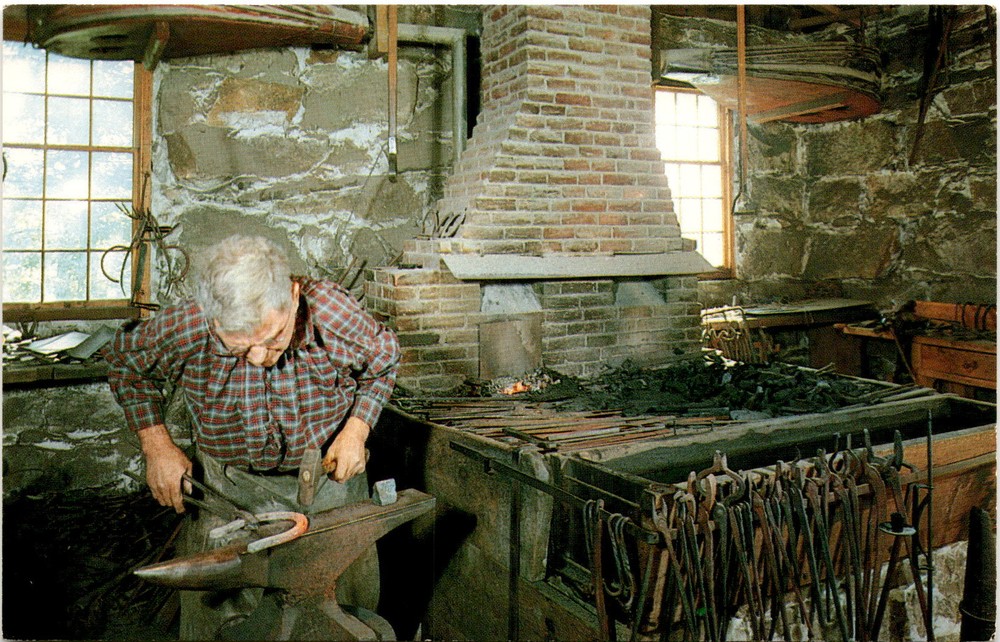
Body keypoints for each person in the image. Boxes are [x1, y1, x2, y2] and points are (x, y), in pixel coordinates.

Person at [106, 234, 401, 638]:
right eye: (239, 349)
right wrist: (156, 445)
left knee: (339, 613)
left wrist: (356, 429)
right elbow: (126, 360)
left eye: (274, 337)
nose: (261, 358)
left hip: (330, 482)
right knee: (221, 612)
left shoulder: (329, 310)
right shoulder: (190, 322)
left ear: (293, 296)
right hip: (228, 488)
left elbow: (384, 356)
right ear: (212, 320)